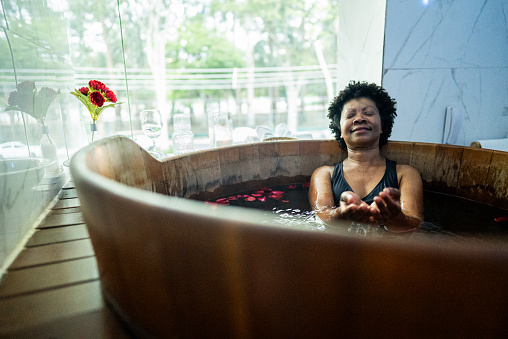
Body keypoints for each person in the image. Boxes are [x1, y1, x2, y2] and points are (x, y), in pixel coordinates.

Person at [309, 81, 423, 232]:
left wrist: (394, 216)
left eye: (368, 113)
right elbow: (322, 216)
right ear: (340, 131)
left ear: (383, 125)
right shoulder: (325, 174)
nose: (359, 119)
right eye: (350, 115)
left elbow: (413, 221)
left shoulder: (405, 173)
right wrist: (342, 213)